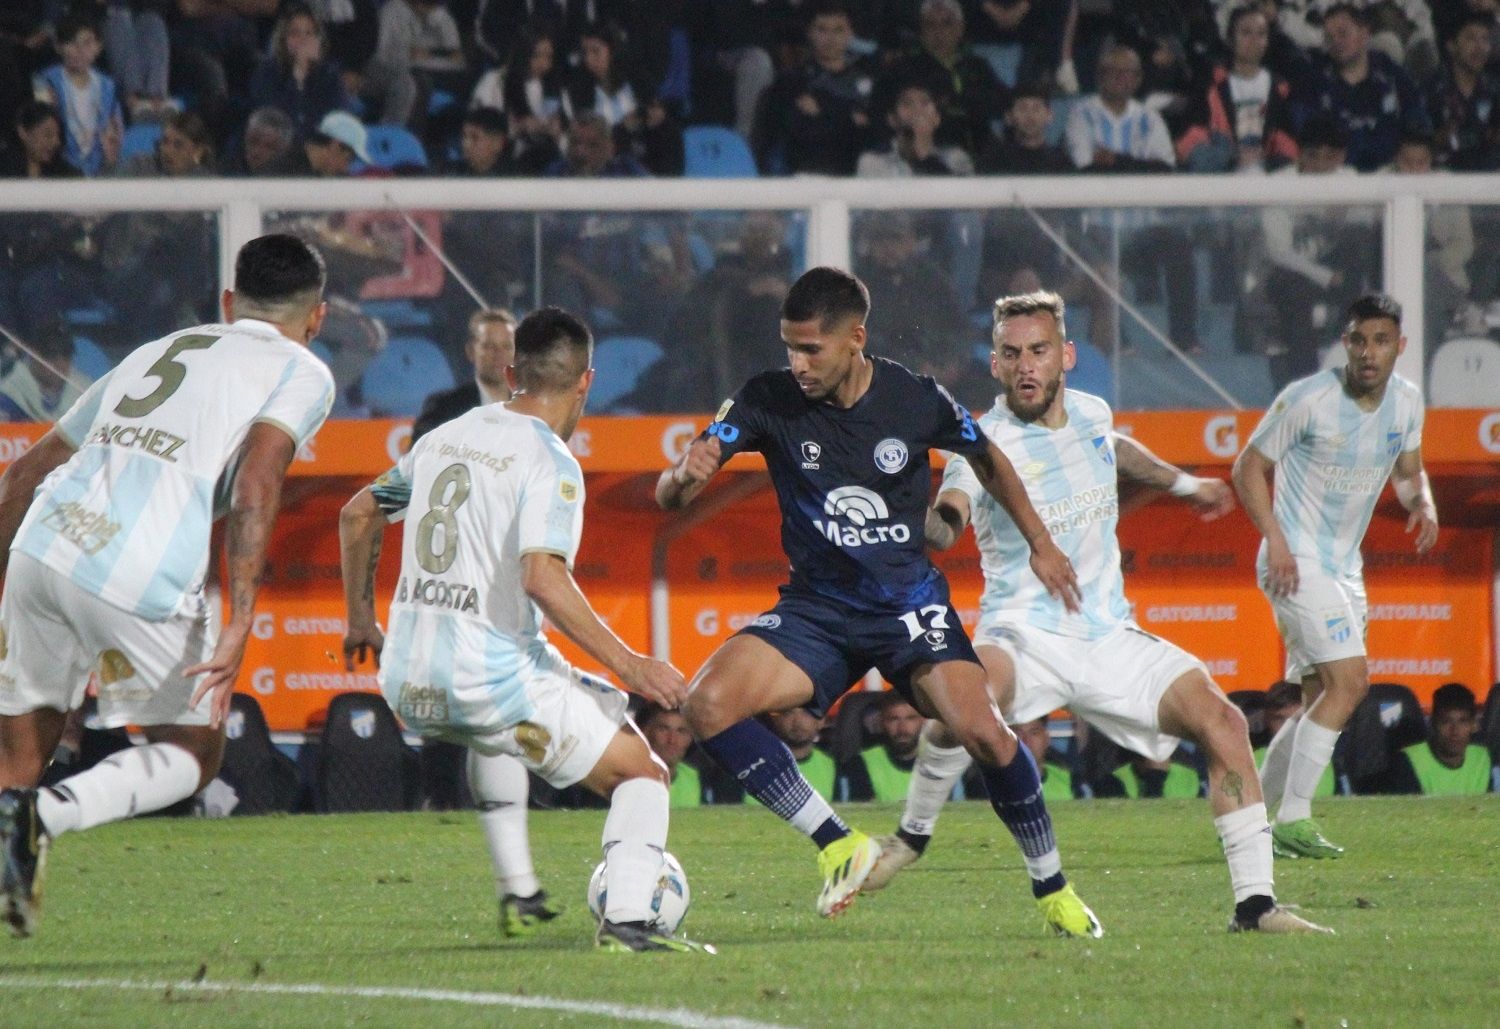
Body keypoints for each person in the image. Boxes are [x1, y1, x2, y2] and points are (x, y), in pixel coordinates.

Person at [862, 289, 1328, 934]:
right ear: (994, 364)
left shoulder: (1090, 412)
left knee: (1223, 722)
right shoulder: (982, 443)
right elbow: (948, 521)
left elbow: (1115, 448)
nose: (1025, 365)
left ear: (1067, 356)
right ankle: (912, 836)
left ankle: (1255, 906)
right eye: (1011, 354)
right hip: (1022, 632)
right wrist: (912, 512)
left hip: (1109, 636)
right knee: (963, 702)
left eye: (1038, 351)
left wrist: (1187, 484)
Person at [656, 267, 1101, 935]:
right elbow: (675, 490)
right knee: (706, 703)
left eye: (812, 349)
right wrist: (680, 477)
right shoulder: (766, 398)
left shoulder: (913, 399)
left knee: (984, 732)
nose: (798, 364)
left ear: (856, 339)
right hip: (817, 611)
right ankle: (838, 843)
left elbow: (989, 459)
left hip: (907, 607)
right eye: (790, 348)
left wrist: (1040, 542)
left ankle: (1053, 886)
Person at [339, 307, 708, 954]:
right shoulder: (550, 460)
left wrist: (360, 619)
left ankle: (519, 889)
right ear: (586, 381)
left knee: (502, 732)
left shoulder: (444, 437)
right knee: (641, 773)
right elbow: (542, 577)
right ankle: (627, 921)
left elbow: (357, 514)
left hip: (405, 677)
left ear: (511, 373)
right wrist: (632, 664)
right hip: (486, 676)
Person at [0, 233, 337, 938]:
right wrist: (240, 619)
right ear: (318, 317)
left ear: (228, 302)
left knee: (18, 754)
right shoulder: (302, 369)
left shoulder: (153, 351)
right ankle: (45, 816)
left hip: (42, 546)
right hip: (137, 568)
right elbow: (256, 482)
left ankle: (15, 828)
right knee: (192, 751)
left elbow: (23, 475)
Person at [1232, 292, 1438, 860]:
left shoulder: (1407, 402)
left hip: (1345, 567)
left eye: (1380, 341)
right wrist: (1275, 539)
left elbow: (1408, 471)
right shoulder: (1309, 399)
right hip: (1294, 561)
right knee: (1350, 684)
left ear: (1399, 346)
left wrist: (1423, 502)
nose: (1369, 352)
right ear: (1345, 343)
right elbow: (1247, 467)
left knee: (1320, 699)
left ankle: (1249, 822)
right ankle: (1293, 819)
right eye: (1359, 340)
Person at [1294, 2, 1431, 172]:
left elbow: (1418, 121)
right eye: (1329, 37)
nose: (1336, 41)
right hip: (1334, 175)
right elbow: (1305, 134)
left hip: (1390, 173)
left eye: (1343, 33)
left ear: (1364, 33)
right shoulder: (1315, 81)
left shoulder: (1391, 74)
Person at [31, 10, 123, 177]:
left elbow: (115, 131)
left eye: (87, 43)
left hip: (99, 170)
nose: (80, 50)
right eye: (72, 43)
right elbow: (42, 127)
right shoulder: (43, 82)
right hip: (59, 170)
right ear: (58, 46)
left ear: (99, 46)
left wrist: (111, 150)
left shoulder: (108, 86)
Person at [411, 308, 517, 441]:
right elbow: (420, 451)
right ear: (470, 351)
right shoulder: (444, 408)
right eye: (489, 346)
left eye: (507, 346)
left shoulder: (533, 410)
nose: (499, 354)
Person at [1391, 683, 1494, 796]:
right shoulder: (1410, 761)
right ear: (1433, 723)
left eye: (1463, 721)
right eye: (1446, 721)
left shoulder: (1482, 758)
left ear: (1474, 725)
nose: (1455, 731)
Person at [1255, 681, 1334, 798]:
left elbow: (1318, 797)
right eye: (1280, 719)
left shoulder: (1320, 758)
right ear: (1266, 719)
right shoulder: (1252, 760)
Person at [840, 692, 921, 803]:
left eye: (910, 718)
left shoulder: (940, 759)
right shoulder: (861, 764)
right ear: (881, 722)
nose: (902, 729)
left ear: (923, 720)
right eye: (893, 719)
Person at [763, 707, 837, 801]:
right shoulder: (753, 764)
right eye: (788, 713)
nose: (797, 721)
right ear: (775, 719)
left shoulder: (836, 768)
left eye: (807, 712)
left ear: (821, 721)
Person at [638, 703, 702, 808]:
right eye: (663, 729)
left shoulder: (697, 778)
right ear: (646, 733)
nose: (672, 740)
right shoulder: (625, 778)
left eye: (681, 731)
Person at [1016, 717, 1074, 804]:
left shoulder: (1069, 780)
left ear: (1046, 739)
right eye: (1018, 734)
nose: (1026, 742)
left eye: (1034, 733)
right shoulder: (995, 784)